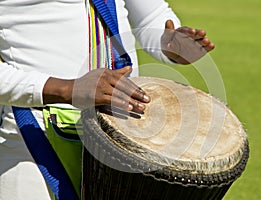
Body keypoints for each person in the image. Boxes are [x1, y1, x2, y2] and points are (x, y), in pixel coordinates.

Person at [0, 0, 214, 199]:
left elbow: (152, 14)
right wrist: (68, 88)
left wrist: (170, 43)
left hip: (124, 131)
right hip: (31, 134)